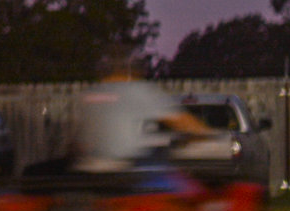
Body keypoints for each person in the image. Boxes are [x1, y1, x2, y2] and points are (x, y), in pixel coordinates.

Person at [71, 47, 208, 181]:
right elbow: (186, 124)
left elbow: (78, 141)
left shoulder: (87, 95)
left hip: (90, 171)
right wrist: (208, 135)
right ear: (131, 69)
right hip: (127, 173)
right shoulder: (137, 91)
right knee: (185, 184)